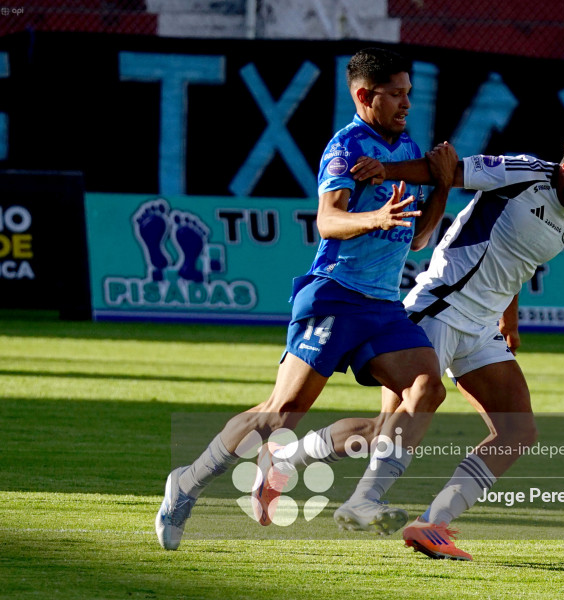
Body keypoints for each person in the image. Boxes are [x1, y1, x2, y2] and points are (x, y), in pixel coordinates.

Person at [262, 127, 564, 560]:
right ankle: (296, 466)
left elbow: (515, 262)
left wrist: (509, 322)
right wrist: (385, 170)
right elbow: (445, 170)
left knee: (517, 432)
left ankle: (432, 524)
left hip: (481, 328)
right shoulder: (523, 173)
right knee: (386, 431)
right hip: (439, 308)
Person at [155, 47, 458, 550]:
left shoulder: (405, 147)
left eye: (409, 93)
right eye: (397, 94)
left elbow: (420, 236)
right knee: (280, 413)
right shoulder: (345, 148)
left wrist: (443, 186)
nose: (407, 103)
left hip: (383, 306)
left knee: (426, 389)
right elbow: (327, 221)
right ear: (365, 95)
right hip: (335, 296)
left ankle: (359, 498)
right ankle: (185, 483)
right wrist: (374, 219)